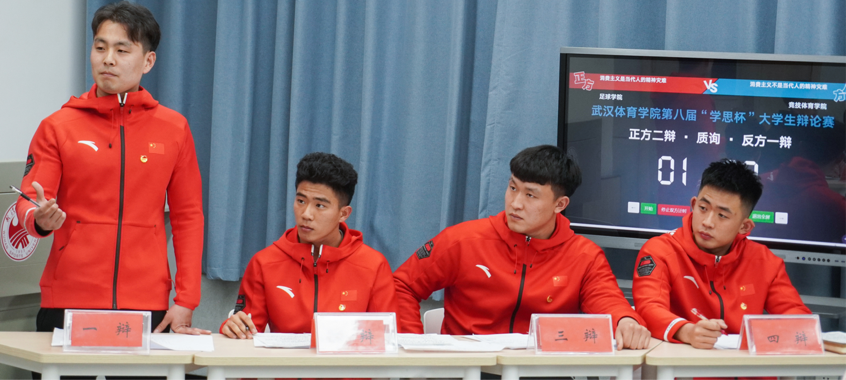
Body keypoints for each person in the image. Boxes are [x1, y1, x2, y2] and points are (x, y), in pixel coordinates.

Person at [16, 1, 209, 379]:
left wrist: (186, 299)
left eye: (122, 50)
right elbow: (29, 201)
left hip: (145, 302)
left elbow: (188, 216)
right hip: (68, 300)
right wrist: (39, 219)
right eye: (100, 47)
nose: (108, 59)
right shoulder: (58, 126)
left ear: (148, 61)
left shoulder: (174, 128)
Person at [393, 145, 652, 349]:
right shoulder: (462, 240)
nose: (515, 203)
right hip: (470, 369)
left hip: (542, 370)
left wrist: (625, 320)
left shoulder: (584, 255)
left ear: (560, 204)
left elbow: (606, 299)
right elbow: (402, 285)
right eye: (512, 188)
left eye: (530, 195)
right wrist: (415, 345)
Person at [632, 159, 811, 349]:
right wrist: (687, 331)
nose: (707, 222)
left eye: (722, 215)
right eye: (703, 208)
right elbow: (648, 308)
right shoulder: (660, 250)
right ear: (693, 204)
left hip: (745, 365)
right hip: (681, 362)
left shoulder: (764, 261)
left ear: (744, 226)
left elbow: (798, 319)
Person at [221, 152, 397, 338]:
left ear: (343, 214)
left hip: (347, 358)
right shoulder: (264, 263)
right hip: (283, 358)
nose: (306, 214)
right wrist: (233, 328)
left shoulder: (373, 265)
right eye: (301, 201)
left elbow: (386, 338)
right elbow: (246, 333)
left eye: (319, 206)